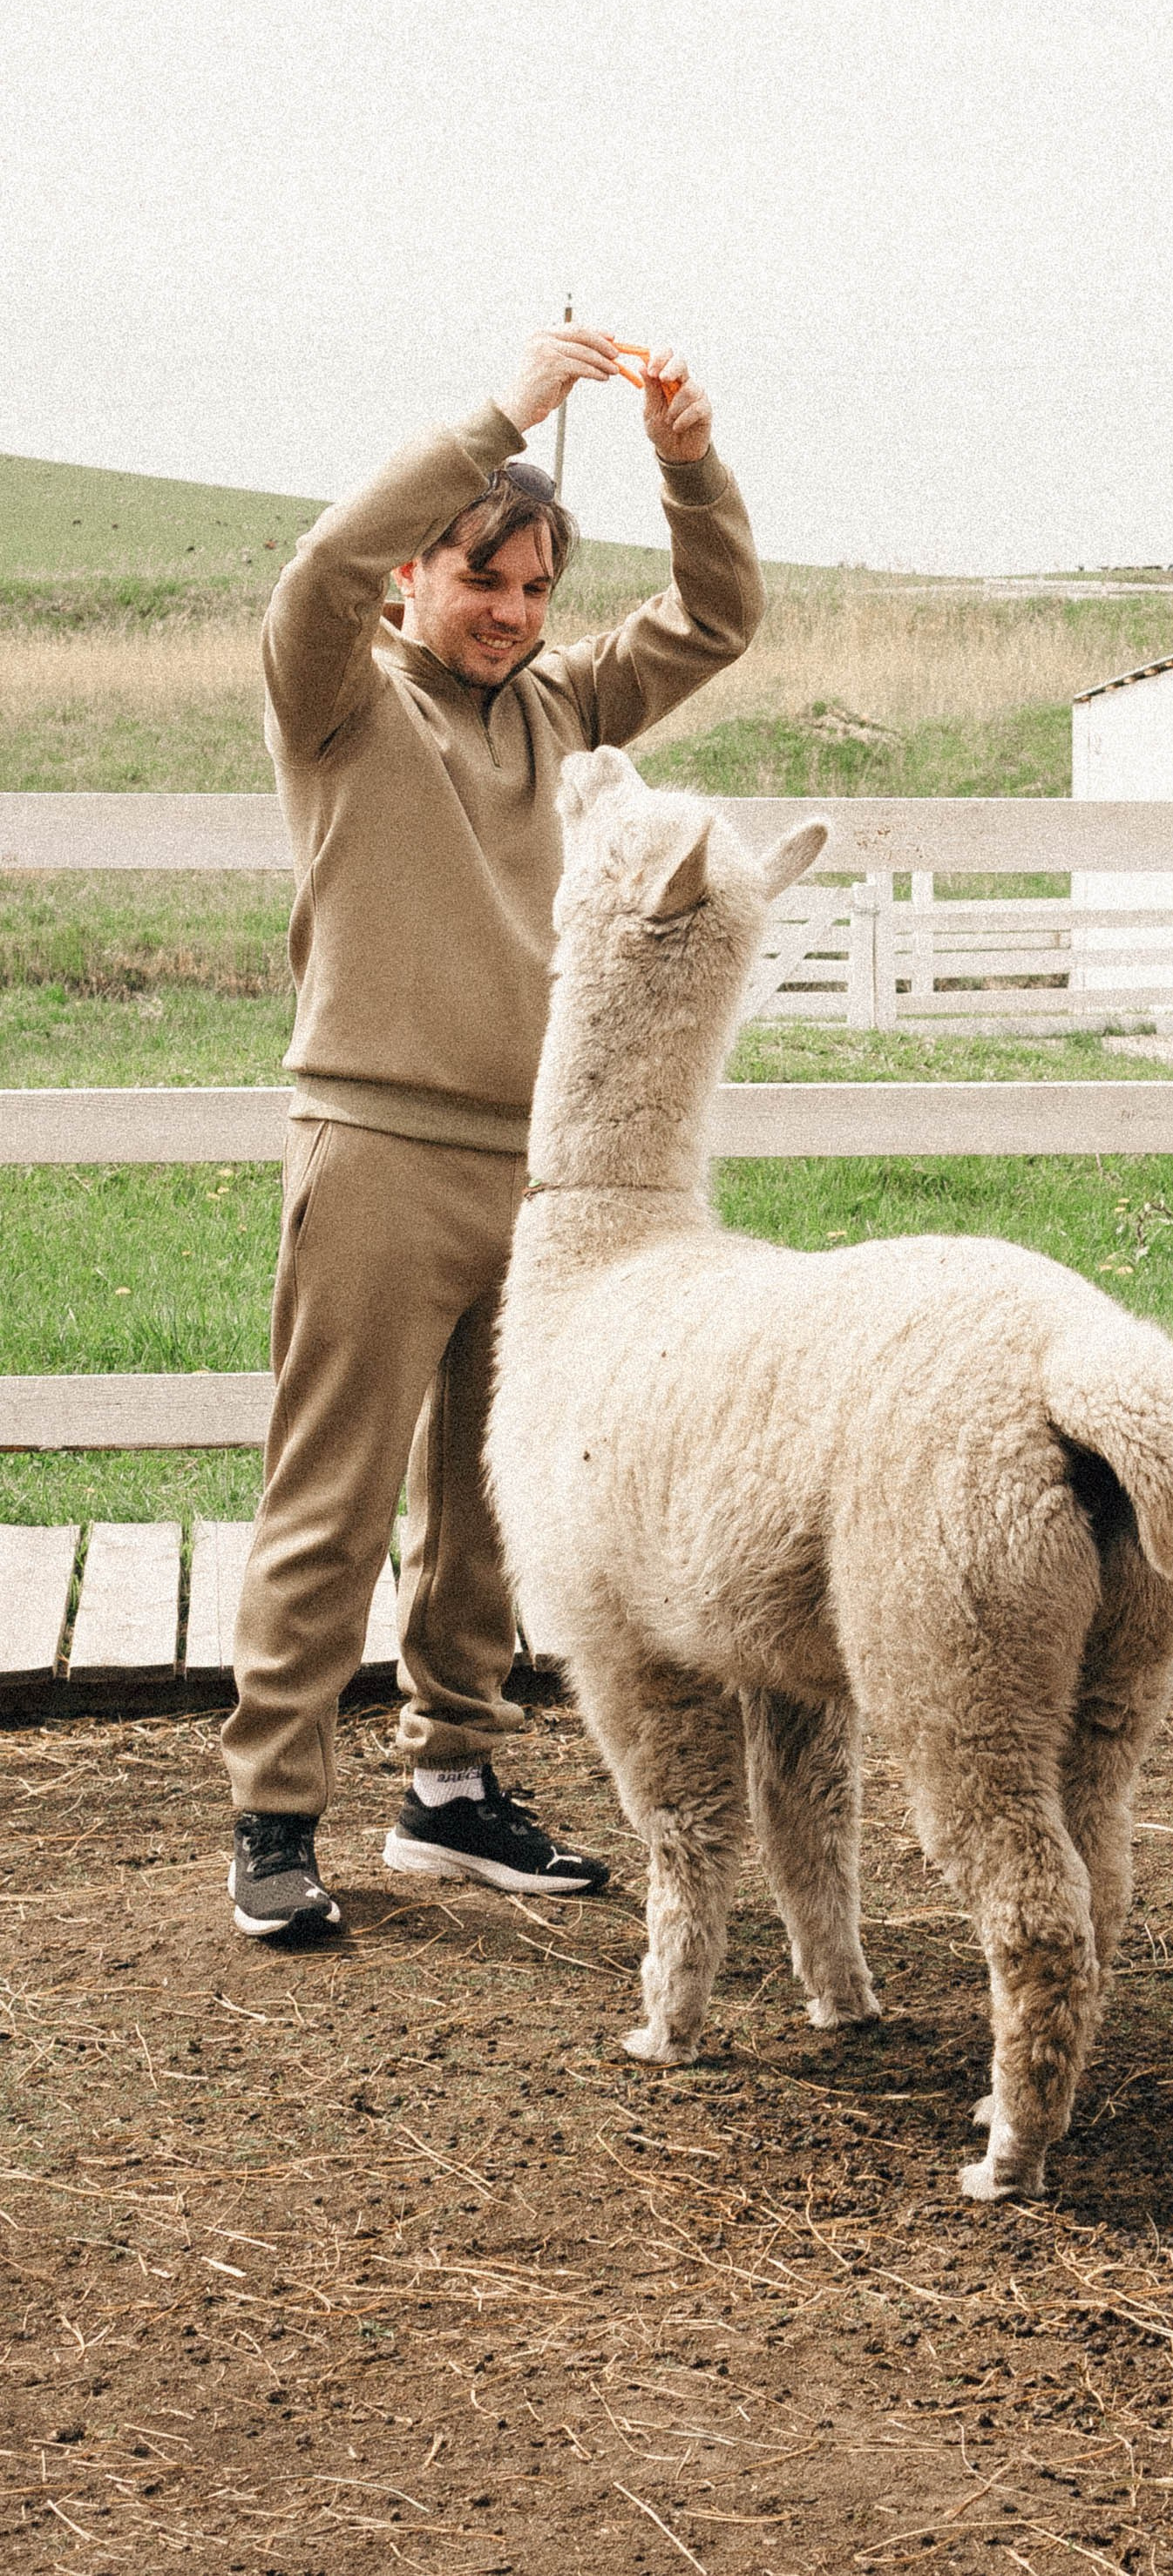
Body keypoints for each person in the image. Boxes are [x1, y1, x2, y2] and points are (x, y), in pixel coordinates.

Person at [222, 321, 764, 1937]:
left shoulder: (566, 710)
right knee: (332, 1493)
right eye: (482, 580)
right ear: (412, 580)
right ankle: (272, 1815)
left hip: (533, 1179)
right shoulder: (335, 704)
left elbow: (721, 613)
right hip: (375, 1156)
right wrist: (502, 416)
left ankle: (451, 1793)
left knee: (490, 1508)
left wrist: (683, 455)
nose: (513, 617)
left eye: (535, 590)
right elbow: (318, 561)